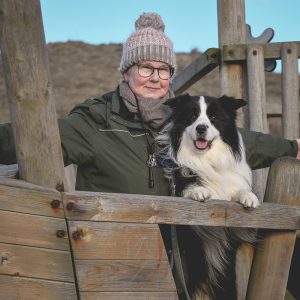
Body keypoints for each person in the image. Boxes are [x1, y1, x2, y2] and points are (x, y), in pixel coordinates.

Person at [0, 12, 299, 299]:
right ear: (127, 71)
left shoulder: (183, 119)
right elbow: (36, 138)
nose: (155, 78)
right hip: (116, 258)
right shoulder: (97, 121)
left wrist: (292, 148)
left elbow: (237, 140)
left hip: (177, 262)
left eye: (164, 70)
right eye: (145, 67)